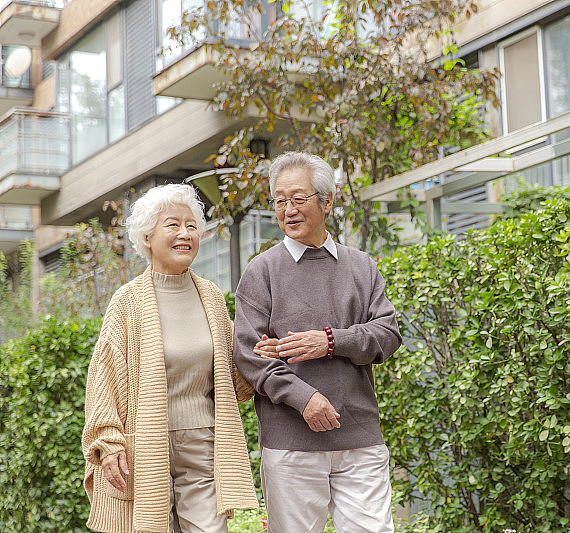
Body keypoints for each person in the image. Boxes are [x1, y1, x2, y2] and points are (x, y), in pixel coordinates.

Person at [233, 151, 402, 533]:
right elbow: (250, 354)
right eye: (279, 200)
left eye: (298, 198)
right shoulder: (262, 271)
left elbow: (388, 334)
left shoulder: (361, 266)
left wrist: (330, 341)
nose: (287, 210)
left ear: (327, 202)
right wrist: (303, 397)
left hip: (359, 437)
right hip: (290, 442)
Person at [82, 184, 259, 533]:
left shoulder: (210, 295)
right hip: (146, 444)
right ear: (147, 237)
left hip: (203, 441)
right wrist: (109, 440)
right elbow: (103, 378)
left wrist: (259, 354)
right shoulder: (127, 302)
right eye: (173, 225)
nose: (185, 233)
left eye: (191, 225)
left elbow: (234, 372)